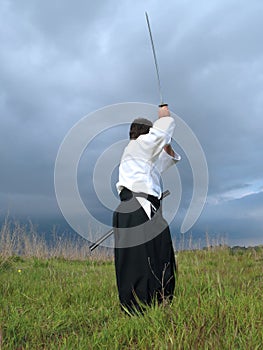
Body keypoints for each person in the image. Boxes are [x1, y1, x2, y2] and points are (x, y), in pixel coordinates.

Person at [113, 105, 181, 314]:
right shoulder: (137, 146)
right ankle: (141, 306)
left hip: (136, 210)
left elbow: (165, 160)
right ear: (145, 133)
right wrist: (164, 117)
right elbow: (163, 129)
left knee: (157, 252)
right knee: (142, 259)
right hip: (137, 208)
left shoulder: (140, 154)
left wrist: (166, 144)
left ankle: (157, 300)